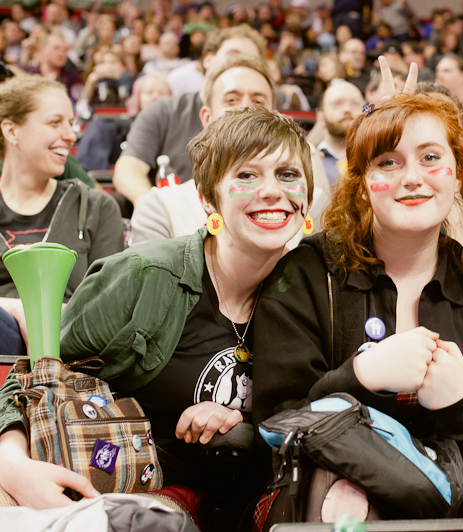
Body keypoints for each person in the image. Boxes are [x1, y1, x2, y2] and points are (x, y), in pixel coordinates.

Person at [0, 107, 314, 529]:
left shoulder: (311, 289)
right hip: (111, 490)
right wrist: (12, 466)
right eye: (247, 175)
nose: (272, 191)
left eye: (288, 174)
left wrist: (241, 421)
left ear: (308, 195)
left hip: (231, 506)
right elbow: (34, 380)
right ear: (207, 197)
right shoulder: (143, 276)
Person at [253, 62, 463, 525]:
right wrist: (360, 375)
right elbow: (276, 420)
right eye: (388, 161)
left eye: (430, 157)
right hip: (337, 484)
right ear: (363, 184)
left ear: (459, 175)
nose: (411, 178)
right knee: (342, 487)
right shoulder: (308, 271)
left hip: (459, 485)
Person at [129, 55, 329, 247]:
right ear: (207, 118)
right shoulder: (161, 207)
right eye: (231, 100)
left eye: (258, 102)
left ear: (276, 116)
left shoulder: (317, 203)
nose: (246, 109)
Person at [0, 76, 124, 354]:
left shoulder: (96, 207)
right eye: (55, 122)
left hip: (71, 356)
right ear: (11, 131)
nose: (70, 135)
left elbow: (111, 309)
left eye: (70, 123)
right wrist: (18, 309)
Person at [113, 27, 267, 207]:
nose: (241, 64)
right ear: (208, 59)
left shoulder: (266, 119)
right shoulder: (162, 111)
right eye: (234, 55)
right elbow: (128, 169)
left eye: (251, 60)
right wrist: (154, 211)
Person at [314, 80, 363, 186]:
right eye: (337, 103)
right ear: (321, 118)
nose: (347, 109)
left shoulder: (376, 159)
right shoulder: (309, 161)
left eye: (356, 104)